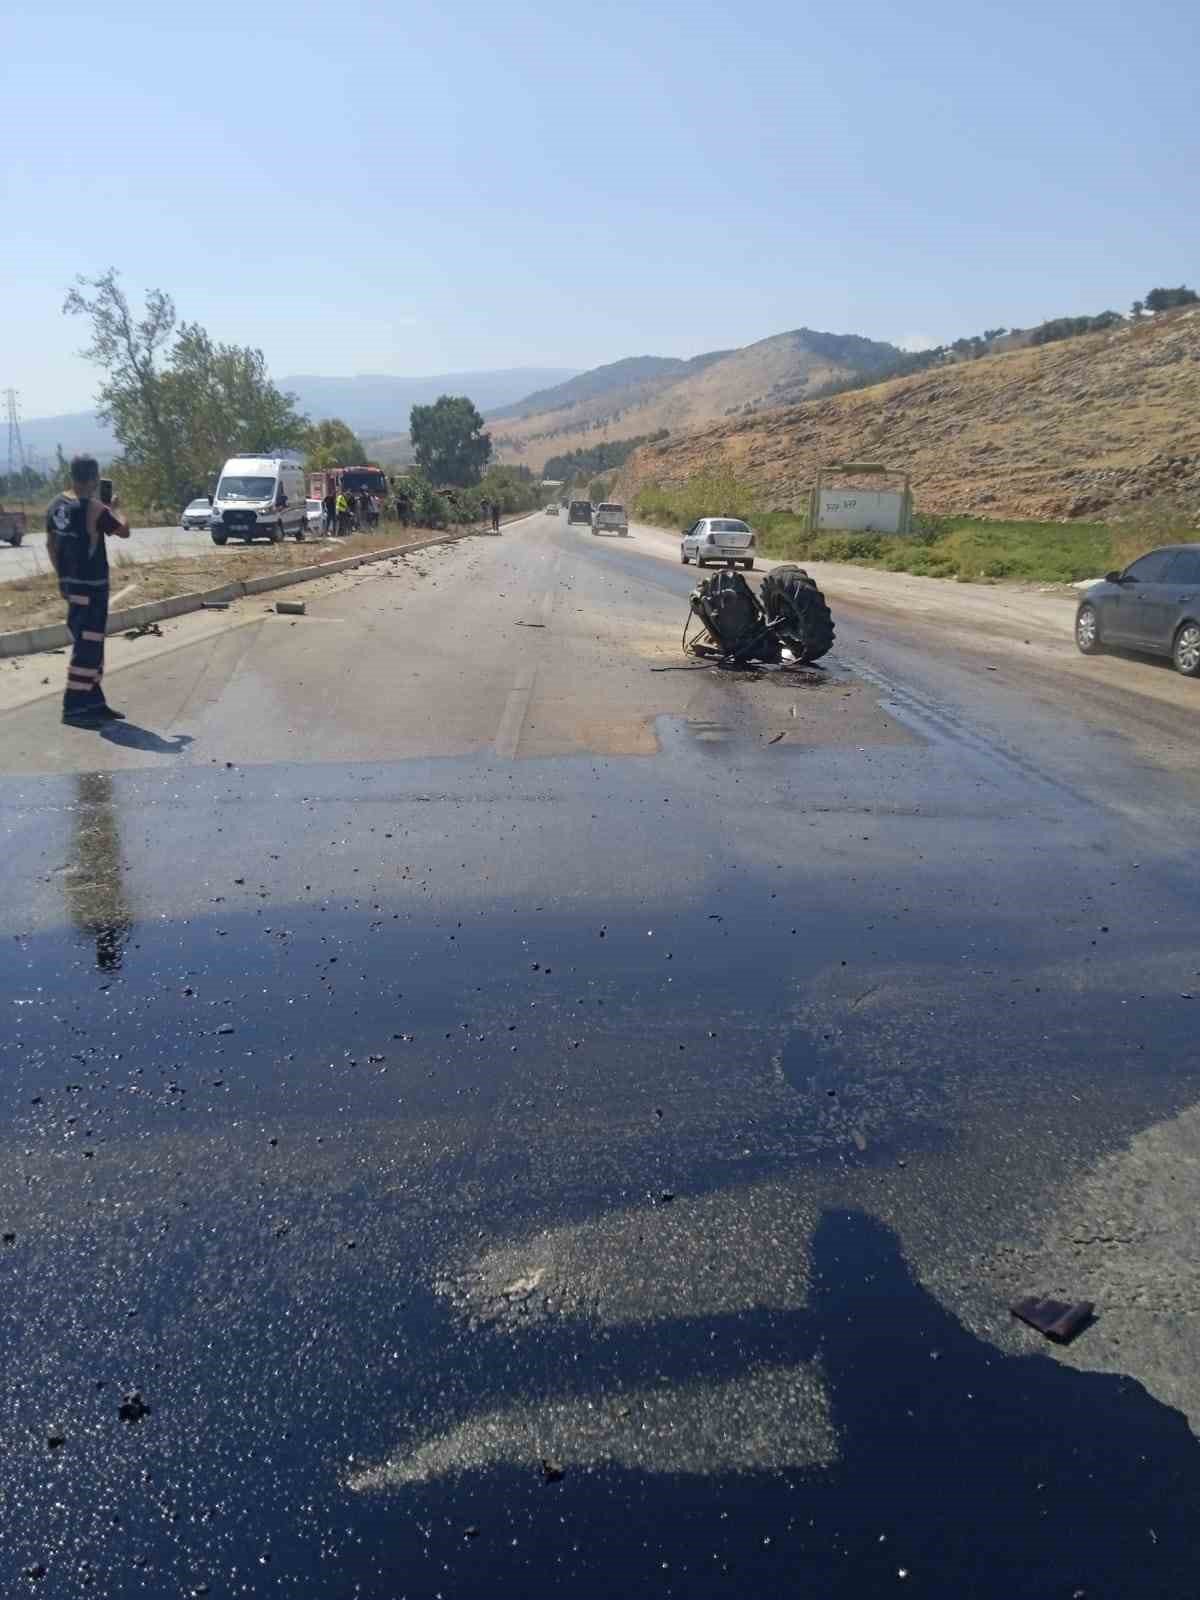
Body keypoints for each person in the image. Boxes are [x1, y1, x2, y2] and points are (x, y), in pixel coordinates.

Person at [46, 456, 130, 724]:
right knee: (88, 648)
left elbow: (51, 545)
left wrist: (62, 579)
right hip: (92, 588)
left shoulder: (56, 505)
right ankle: (74, 707)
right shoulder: (95, 508)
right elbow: (124, 531)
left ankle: (93, 701)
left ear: (72, 476)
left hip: (72, 585)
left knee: (90, 646)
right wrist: (116, 508)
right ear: (94, 479)